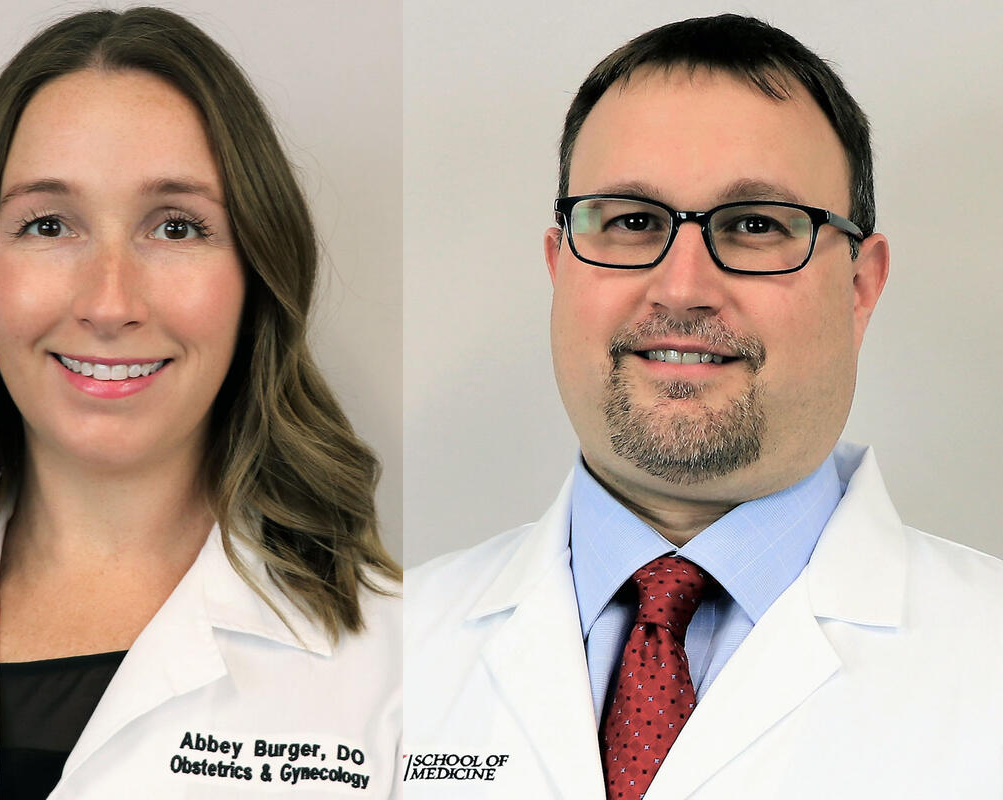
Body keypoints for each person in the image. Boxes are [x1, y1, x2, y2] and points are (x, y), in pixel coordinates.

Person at [0, 8, 400, 798]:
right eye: (49, 224)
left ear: (257, 276)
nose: (109, 303)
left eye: (177, 228)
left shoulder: (403, 674)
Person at [403, 14, 1003, 799]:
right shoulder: (387, 646)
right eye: (632, 221)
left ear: (859, 287)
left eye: (755, 225)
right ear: (560, 267)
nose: (682, 286)